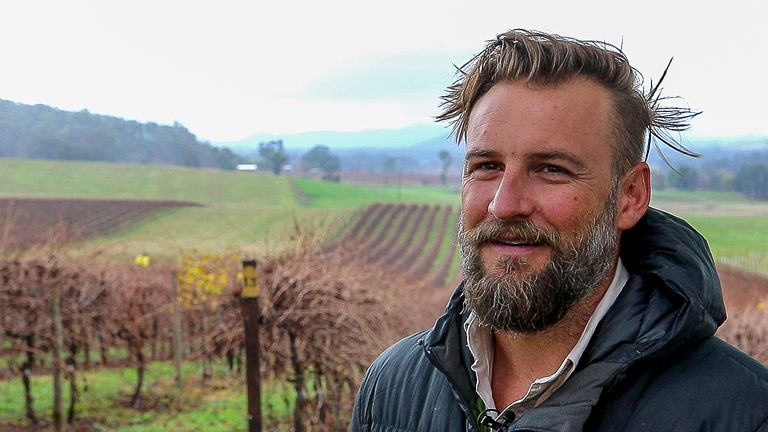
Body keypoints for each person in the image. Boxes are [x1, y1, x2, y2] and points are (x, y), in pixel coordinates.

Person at [350, 29, 768, 432]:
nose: (504, 205)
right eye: (487, 166)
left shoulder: (744, 413)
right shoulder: (393, 385)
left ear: (630, 196)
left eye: (551, 169)